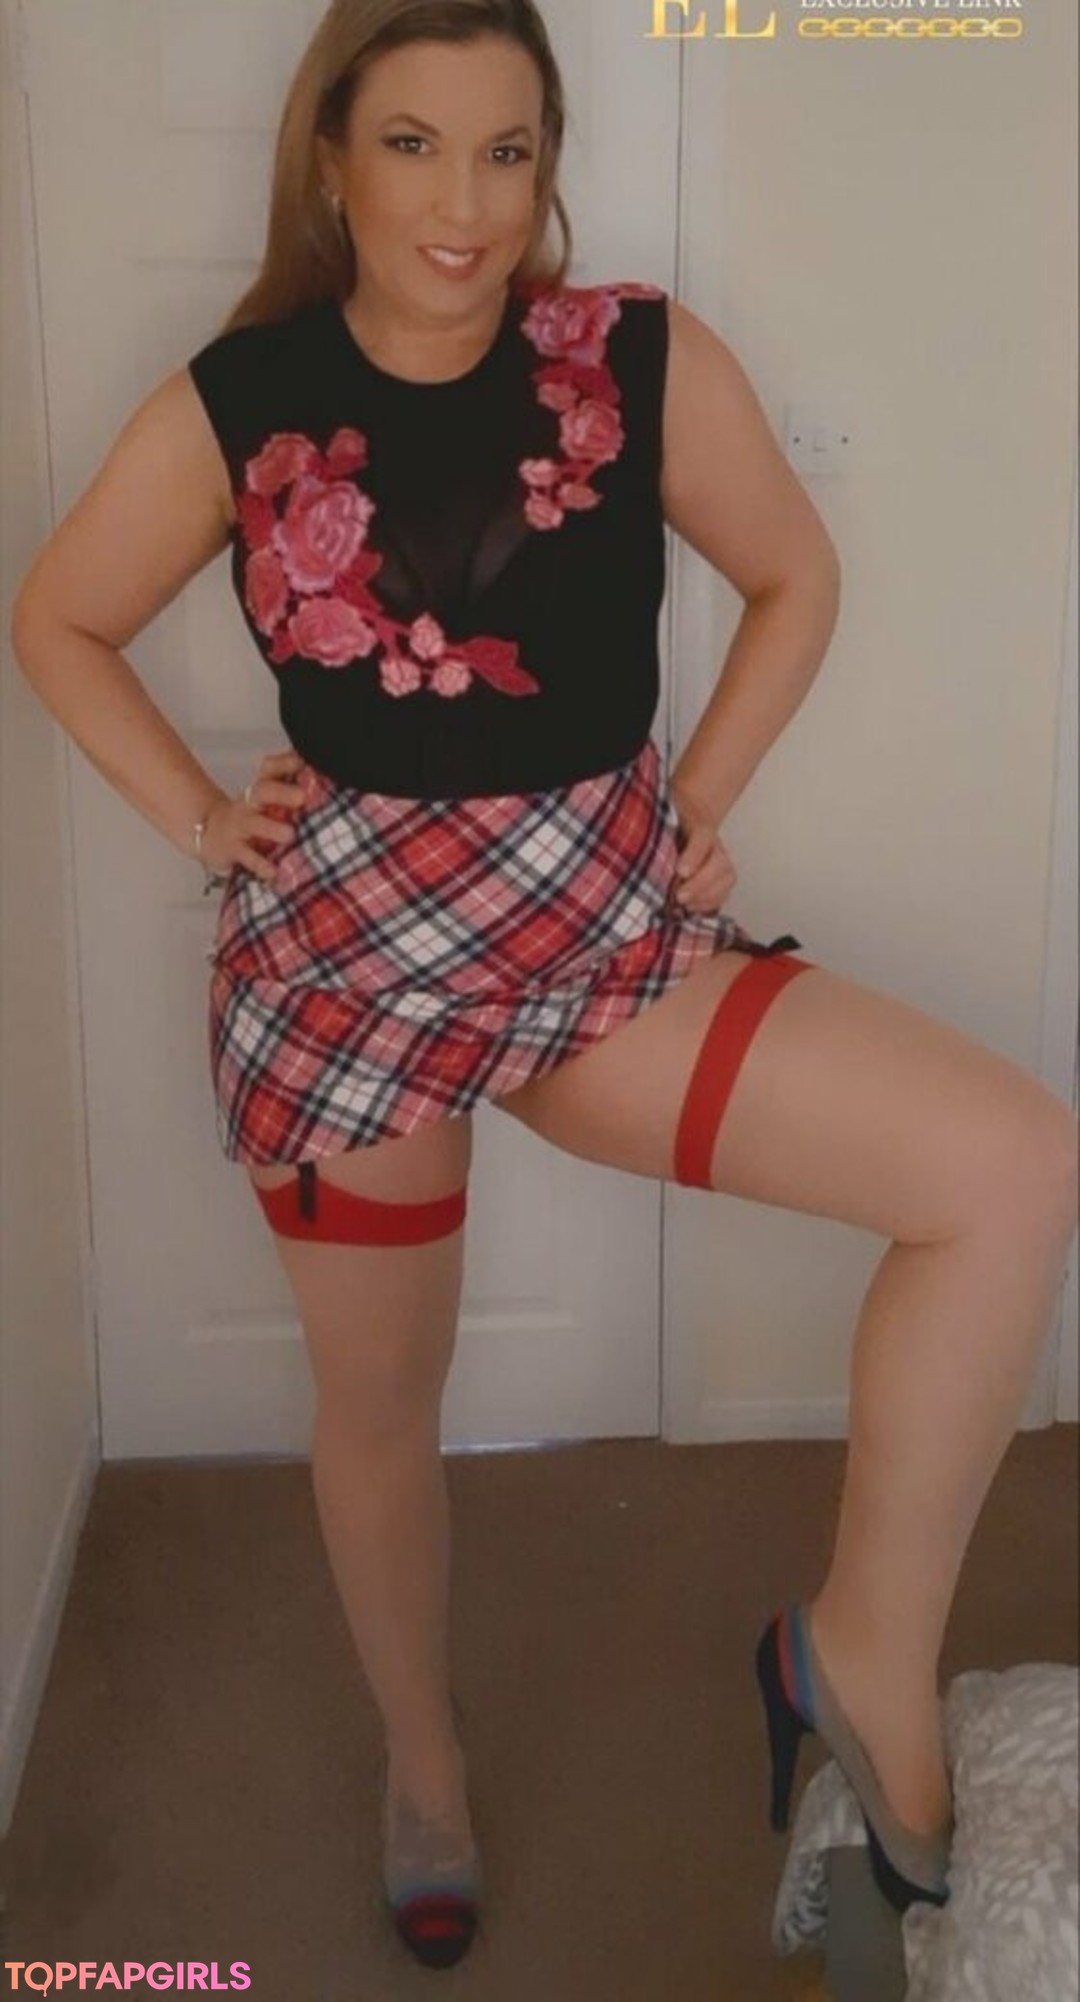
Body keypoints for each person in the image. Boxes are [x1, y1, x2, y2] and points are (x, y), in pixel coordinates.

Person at [10, 0, 1077, 1975]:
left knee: (1009, 1168)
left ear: (548, 167)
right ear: (333, 161)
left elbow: (798, 578)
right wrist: (199, 816)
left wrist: (702, 803)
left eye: (507, 150)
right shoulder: (246, 398)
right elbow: (57, 614)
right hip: (347, 977)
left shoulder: (631, 358)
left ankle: (857, 1652)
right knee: (380, 1401)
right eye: (415, 144)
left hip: (596, 945)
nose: (466, 203)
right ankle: (425, 1763)